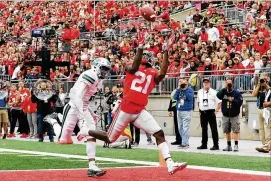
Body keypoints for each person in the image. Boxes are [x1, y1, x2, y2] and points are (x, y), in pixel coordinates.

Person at [77, 42, 187, 175]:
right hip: (125, 110)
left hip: (139, 110)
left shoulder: (152, 72)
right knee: (109, 138)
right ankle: (86, 130)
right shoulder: (132, 67)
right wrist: (140, 50)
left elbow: (163, 73)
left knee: (159, 133)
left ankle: (170, 164)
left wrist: (165, 53)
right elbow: (134, 67)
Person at [44, 58, 111, 177]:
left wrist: (91, 112)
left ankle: (92, 166)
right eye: (103, 69)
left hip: (83, 108)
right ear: (96, 66)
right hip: (73, 107)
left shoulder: (98, 80)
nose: (105, 72)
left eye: (107, 70)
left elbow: (86, 99)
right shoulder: (90, 75)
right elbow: (78, 97)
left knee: (91, 134)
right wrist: (81, 118)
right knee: (63, 140)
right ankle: (54, 120)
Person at [217, 78, 243, 152]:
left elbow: (240, 103)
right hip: (225, 115)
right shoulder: (224, 91)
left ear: (232, 84)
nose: (229, 84)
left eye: (230, 83)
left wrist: (233, 100)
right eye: (227, 83)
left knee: (236, 130)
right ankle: (228, 145)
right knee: (227, 131)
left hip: (234, 115)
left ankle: (236, 145)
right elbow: (218, 96)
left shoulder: (237, 93)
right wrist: (224, 88)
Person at [197, 77, 221, 150]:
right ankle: (204, 144)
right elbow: (198, 102)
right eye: (204, 82)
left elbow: (219, 102)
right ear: (203, 83)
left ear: (210, 83)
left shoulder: (214, 92)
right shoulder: (199, 92)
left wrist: (216, 111)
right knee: (204, 129)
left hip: (210, 111)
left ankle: (216, 145)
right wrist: (199, 110)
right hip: (202, 112)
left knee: (213, 129)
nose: (206, 83)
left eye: (207, 82)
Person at [252, 73, 271, 153]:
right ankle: (264, 145)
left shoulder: (269, 85)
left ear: (267, 78)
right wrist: (259, 85)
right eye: (261, 79)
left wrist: (266, 84)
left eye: (264, 78)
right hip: (259, 109)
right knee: (261, 129)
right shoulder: (258, 86)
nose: (262, 80)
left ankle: (267, 146)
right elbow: (254, 94)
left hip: (267, 110)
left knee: (267, 129)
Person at [173, 77, 194, 149]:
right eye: (181, 83)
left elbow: (190, 98)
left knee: (185, 128)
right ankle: (186, 141)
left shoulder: (190, 90)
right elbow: (175, 97)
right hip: (179, 110)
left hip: (187, 111)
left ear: (187, 83)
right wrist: (179, 89)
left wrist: (185, 90)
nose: (182, 84)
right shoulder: (178, 90)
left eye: (184, 83)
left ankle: (184, 143)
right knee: (180, 128)